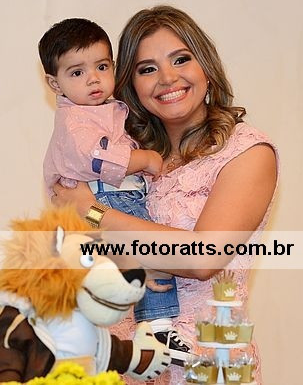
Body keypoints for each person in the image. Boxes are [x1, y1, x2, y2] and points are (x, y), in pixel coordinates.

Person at [52, 5, 278, 384]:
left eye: (181, 59)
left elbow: (203, 258)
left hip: (205, 365)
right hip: (124, 362)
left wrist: (94, 214)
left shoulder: (247, 152)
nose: (167, 78)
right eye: (147, 68)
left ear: (206, 66)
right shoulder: (125, 157)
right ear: (130, 84)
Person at [39, 18, 190, 365]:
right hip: (107, 197)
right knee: (150, 253)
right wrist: (145, 159)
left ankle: (147, 326)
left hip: (105, 199)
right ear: (55, 83)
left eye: (102, 67)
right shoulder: (76, 120)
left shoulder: (105, 110)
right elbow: (96, 157)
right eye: (77, 72)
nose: (93, 79)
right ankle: (158, 326)